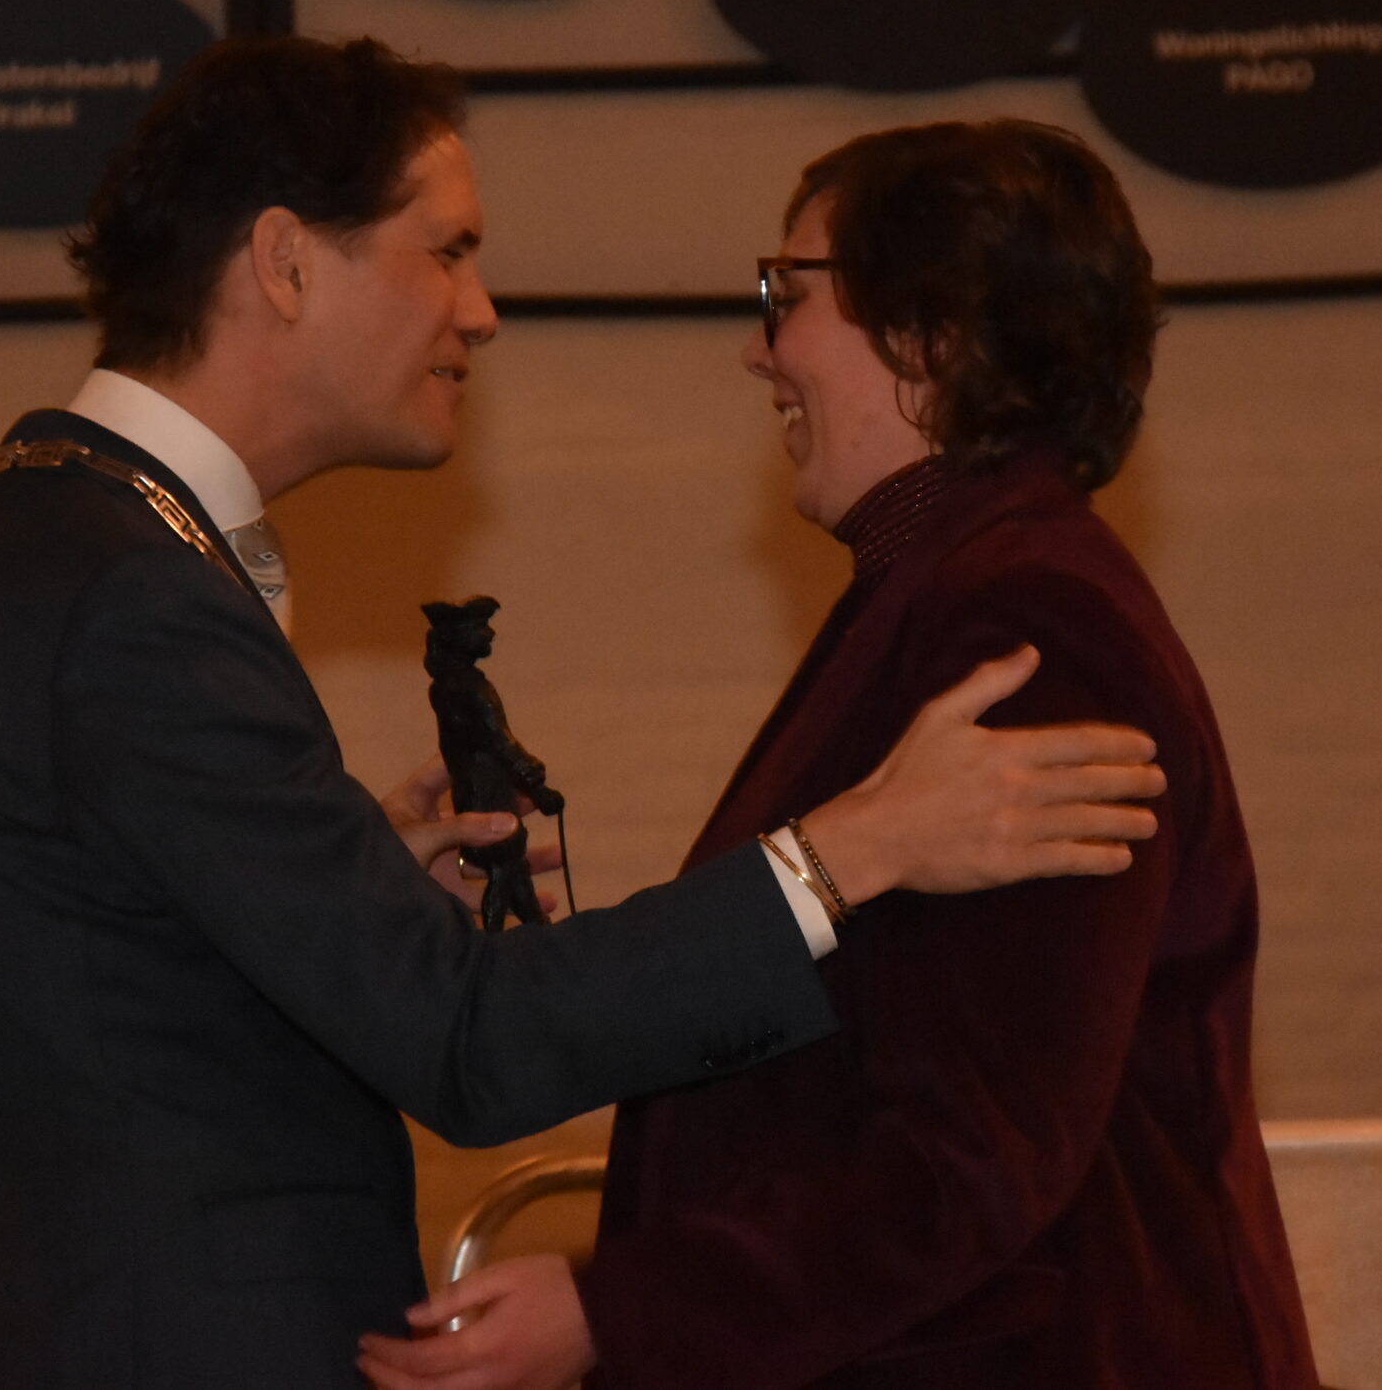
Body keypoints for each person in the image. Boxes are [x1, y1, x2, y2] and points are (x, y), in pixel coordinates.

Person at [0, 37, 1169, 1390]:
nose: (480, 312)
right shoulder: (129, 598)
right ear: (286, 262)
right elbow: (471, 1042)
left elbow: (102, 992)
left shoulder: (47, 542)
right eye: (448, 250)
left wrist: (347, 895)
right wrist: (844, 853)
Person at [360, 120, 1320, 1390]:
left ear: (931, 334)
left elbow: (984, 1149)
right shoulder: (944, 591)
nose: (757, 348)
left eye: (788, 292)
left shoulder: (1025, 627)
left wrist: (621, 1312)